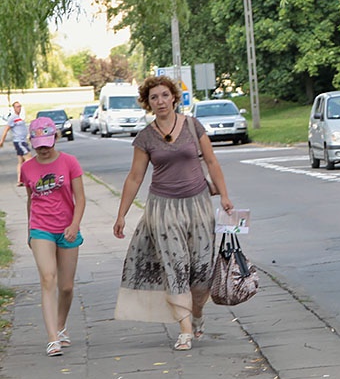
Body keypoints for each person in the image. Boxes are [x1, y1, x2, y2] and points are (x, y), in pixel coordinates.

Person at [113, 76, 234, 351]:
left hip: (199, 204)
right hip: (163, 208)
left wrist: (224, 196)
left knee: (202, 271)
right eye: (154, 97)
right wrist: (121, 214)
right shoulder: (145, 137)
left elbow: (212, 161)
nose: (160, 101)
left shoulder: (193, 125)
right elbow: (134, 178)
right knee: (175, 267)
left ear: (174, 97)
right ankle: (185, 329)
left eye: (164, 95)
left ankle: (198, 311)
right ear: (148, 103)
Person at [21, 117, 86, 357]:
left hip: (67, 228)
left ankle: (60, 326)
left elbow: (80, 197)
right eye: (38, 145)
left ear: (55, 138)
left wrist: (75, 224)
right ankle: (52, 339)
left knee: (66, 287)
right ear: (32, 143)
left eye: (47, 143)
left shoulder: (69, 162)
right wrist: (30, 230)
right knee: (48, 277)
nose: (43, 149)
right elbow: (31, 198)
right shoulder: (27, 168)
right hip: (41, 228)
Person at [0, 101, 34, 185]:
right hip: (19, 142)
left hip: (23, 141)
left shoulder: (19, 117)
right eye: (17, 106)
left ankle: (20, 180)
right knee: (29, 159)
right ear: (14, 108)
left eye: (20, 106)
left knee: (21, 161)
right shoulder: (12, 118)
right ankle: (30, 178)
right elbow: (6, 129)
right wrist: (1, 141)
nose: (19, 108)